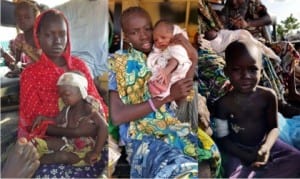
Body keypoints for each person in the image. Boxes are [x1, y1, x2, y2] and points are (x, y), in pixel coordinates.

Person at [109, 6, 221, 178]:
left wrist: (192, 59)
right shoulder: (120, 62)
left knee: (204, 161)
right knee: (177, 167)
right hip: (144, 137)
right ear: (125, 35)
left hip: (175, 128)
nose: (144, 35)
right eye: (135, 32)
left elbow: (184, 104)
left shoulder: (163, 56)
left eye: (147, 29)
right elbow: (117, 116)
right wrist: (167, 97)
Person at [19, 9, 108, 177]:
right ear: (38, 36)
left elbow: (97, 105)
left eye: (62, 34)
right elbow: (34, 122)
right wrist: (75, 132)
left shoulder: (79, 66)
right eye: (49, 35)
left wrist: (92, 130)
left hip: (92, 142)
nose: (57, 41)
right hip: (52, 141)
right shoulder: (30, 74)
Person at [214, 40, 300, 178]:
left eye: (252, 69)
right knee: (232, 175)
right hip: (238, 149)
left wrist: (266, 147)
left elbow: (274, 128)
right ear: (226, 71)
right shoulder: (223, 104)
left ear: (261, 71)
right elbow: (223, 139)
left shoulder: (268, 96)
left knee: (295, 160)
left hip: (267, 145)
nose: (245, 76)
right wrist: (245, 155)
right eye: (236, 69)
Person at [220, 0, 300, 116]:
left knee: (287, 47)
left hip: (262, 42)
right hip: (242, 45)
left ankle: (292, 92)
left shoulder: (253, 3)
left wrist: (249, 24)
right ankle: (279, 103)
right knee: (256, 56)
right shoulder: (226, 9)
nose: (234, 2)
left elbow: (268, 19)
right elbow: (221, 31)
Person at [30, 71, 108, 166]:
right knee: (40, 143)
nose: (63, 98)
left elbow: (104, 127)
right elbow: (56, 120)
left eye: (67, 94)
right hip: (69, 143)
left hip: (85, 152)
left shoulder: (88, 107)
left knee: (61, 156)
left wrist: (95, 152)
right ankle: (30, 160)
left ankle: (35, 164)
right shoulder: (67, 108)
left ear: (81, 91)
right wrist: (44, 118)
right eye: (61, 95)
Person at [147, 20, 192, 99]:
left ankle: (163, 87)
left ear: (173, 35)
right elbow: (155, 56)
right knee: (160, 69)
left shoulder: (176, 46)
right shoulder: (163, 49)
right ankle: (159, 86)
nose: (159, 41)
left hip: (176, 69)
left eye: (163, 37)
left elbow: (175, 60)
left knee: (166, 72)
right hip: (166, 68)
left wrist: (166, 71)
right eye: (156, 40)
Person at [4, 0, 41, 78]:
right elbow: (18, 61)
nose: (22, 20)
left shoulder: (41, 36)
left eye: (27, 17)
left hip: (47, 71)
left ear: (35, 18)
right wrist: (16, 69)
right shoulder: (20, 38)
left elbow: (49, 60)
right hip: (32, 73)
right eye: (18, 17)